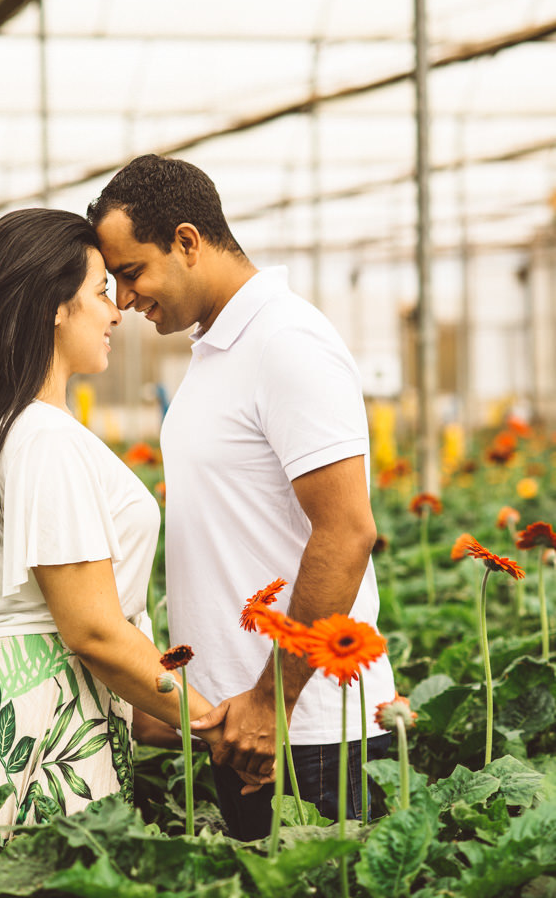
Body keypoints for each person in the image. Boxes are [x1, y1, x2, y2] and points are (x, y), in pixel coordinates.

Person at [87, 155, 396, 840]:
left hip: (308, 735)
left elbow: (346, 532)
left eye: (132, 272)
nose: (125, 299)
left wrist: (271, 703)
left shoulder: (286, 342)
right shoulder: (217, 349)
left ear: (188, 241)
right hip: (241, 730)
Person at [0, 207, 228, 831]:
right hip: (39, 727)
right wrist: (211, 722)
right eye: (99, 293)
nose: (117, 312)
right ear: (53, 308)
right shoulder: (46, 439)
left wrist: (154, 712)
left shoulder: (2, 428)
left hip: (16, 709)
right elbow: (92, 630)